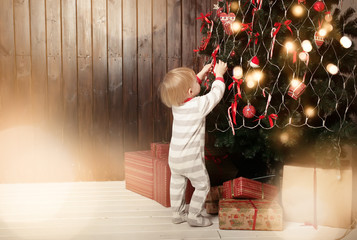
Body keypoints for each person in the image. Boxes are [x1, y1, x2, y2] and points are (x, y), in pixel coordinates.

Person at [159, 60, 228, 227]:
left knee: (177, 184)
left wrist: (201, 74)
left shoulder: (176, 103)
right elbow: (215, 95)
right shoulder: (198, 105)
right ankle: (194, 216)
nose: (198, 82)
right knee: (203, 185)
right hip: (191, 160)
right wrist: (219, 75)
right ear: (190, 91)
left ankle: (177, 213)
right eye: (195, 82)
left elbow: (186, 89)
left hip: (174, 158)